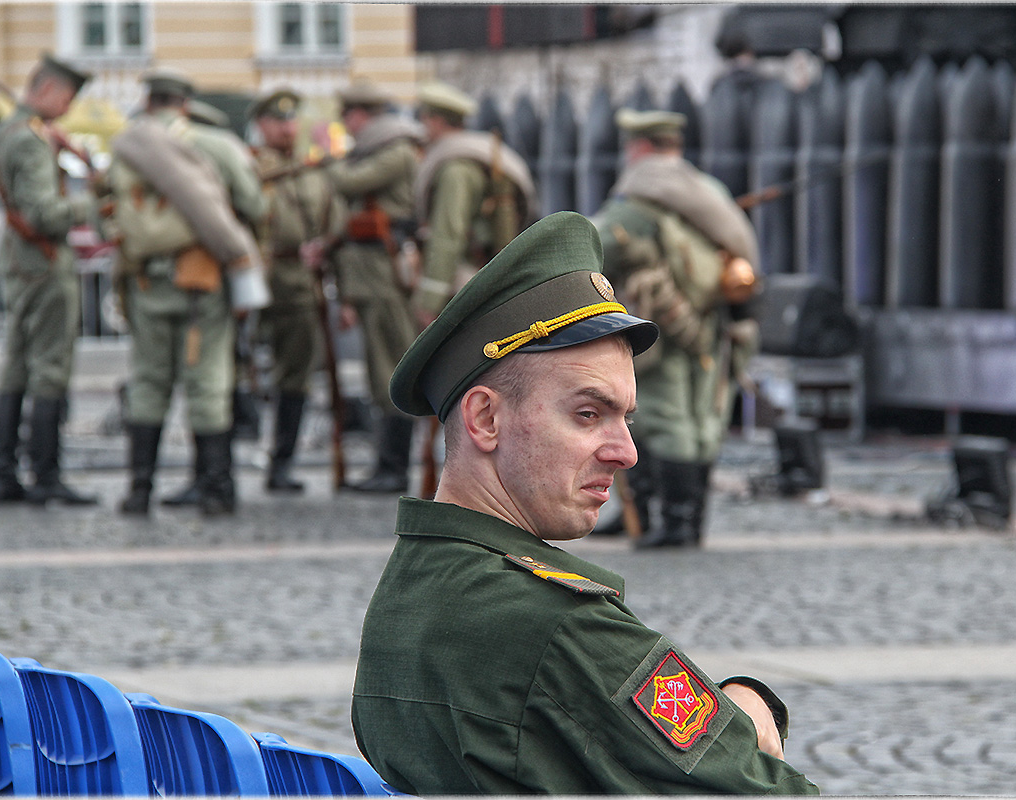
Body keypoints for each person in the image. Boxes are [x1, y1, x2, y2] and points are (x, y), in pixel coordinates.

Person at [351, 211, 817, 795]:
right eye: (588, 414)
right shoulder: (557, 628)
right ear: (486, 418)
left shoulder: (407, 595)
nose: (626, 453)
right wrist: (754, 710)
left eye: (625, 417)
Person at [592, 109, 759, 548]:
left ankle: (672, 523)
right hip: (711, 320)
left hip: (662, 322)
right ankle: (673, 517)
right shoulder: (708, 191)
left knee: (664, 417)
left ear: (640, 147)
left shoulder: (640, 196)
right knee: (704, 415)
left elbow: (596, 245)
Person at [106, 69, 267, 517]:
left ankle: (139, 491)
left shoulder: (126, 148)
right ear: (185, 103)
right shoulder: (214, 145)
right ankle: (215, 491)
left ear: (149, 100)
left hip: (144, 281)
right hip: (201, 282)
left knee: (149, 381)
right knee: (208, 384)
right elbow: (254, 204)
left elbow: (105, 211)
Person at [0, 53, 100, 506]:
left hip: (20, 261)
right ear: (51, 91)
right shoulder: (31, 141)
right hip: (43, 258)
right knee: (49, 368)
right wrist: (90, 205)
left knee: (17, 364)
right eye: (69, 97)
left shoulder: (10, 131)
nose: (69, 108)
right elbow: (43, 213)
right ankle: (46, 474)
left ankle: (5, 472)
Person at [314, 81, 422, 493]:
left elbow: (347, 183)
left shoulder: (395, 151)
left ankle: (393, 467)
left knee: (389, 366)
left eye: (349, 116)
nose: (347, 125)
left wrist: (326, 155)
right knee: (380, 366)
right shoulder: (384, 149)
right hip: (368, 273)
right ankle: (386, 463)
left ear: (363, 115)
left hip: (384, 274)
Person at [250, 87, 348, 493]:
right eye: (278, 121)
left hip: (298, 281)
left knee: (296, 373)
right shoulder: (249, 166)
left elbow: (335, 216)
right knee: (237, 368)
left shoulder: (313, 172)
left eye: (292, 120)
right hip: (254, 277)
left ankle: (281, 462)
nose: (287, 128)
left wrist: (323, 244)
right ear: (262, 125)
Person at [411, 80, 538, 329]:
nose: (423, 127)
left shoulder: (455, 168)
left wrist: (430, 299)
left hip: (462, 281)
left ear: (437, 121)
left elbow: (448, 232)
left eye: (425, 119)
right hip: (480, 276)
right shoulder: (476, 155)